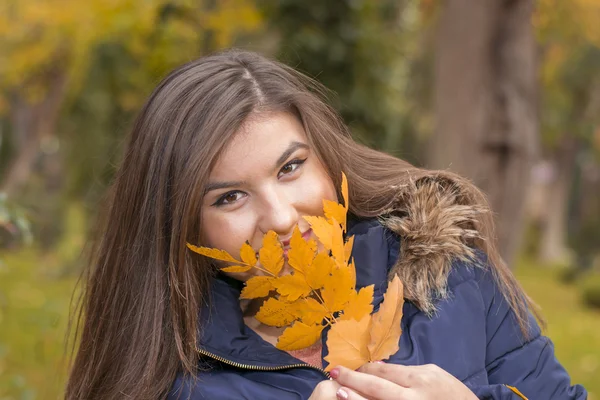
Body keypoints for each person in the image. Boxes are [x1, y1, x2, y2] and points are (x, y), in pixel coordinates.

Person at [65, 49, 587, 400]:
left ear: (327, 160)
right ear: (184, 230)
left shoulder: (449, 273)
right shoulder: (169, 377)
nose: (282, 217)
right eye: (229, 198)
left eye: (290, 168)